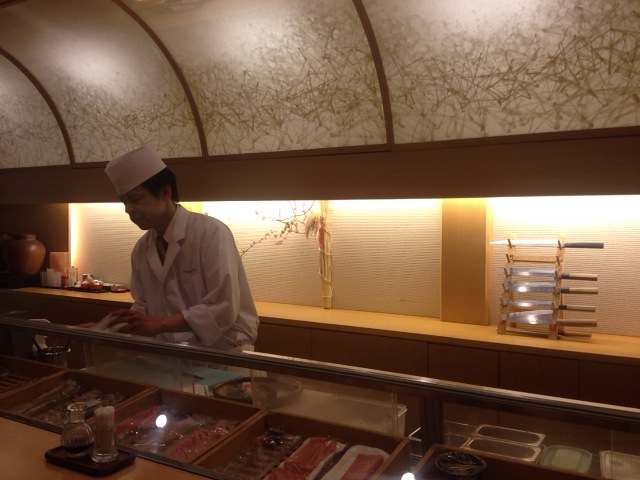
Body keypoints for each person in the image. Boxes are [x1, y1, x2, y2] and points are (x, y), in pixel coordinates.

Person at [100, 145, 259, 352]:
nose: (128, 209)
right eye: (124, 202)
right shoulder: (141, 249)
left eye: (135, 199)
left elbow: (223, 306)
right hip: (172, 355)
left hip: (223, 353)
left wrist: (158, 324)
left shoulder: (211, 233)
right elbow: (144, 306)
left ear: (165, 192)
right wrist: (105, 328)